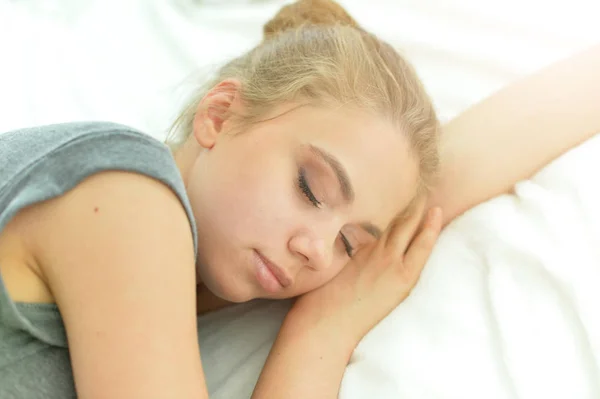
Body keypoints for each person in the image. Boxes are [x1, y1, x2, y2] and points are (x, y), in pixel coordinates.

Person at [0, 0, 598, 397]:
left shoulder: (197, 271)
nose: (316, 251)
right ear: (220, 112)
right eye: (310, 188)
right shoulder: (127, 199)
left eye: (347, 244)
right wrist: (320, 336)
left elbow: (431, 198)